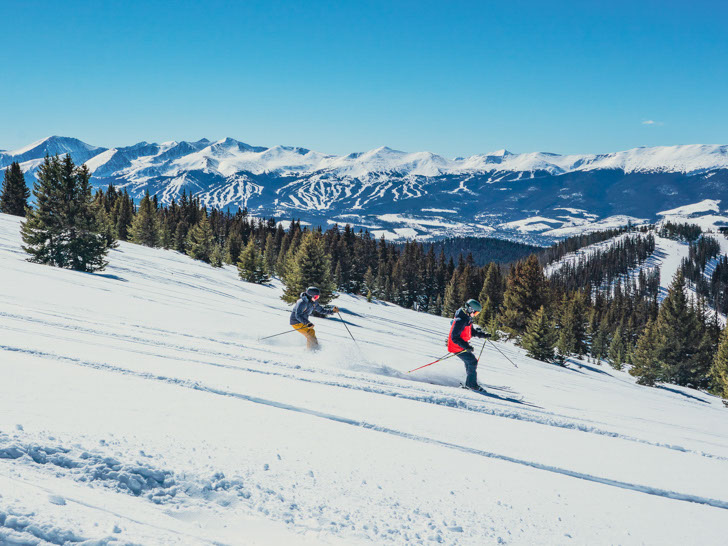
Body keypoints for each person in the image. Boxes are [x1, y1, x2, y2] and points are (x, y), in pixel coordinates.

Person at [447, 299, 491, 392]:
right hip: (456, 346)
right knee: (472, 362)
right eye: (475, 313)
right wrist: (466, 346)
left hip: (461, 345)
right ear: (470, 309)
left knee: (470, 362)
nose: (475, 315)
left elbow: (471, 332)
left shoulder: (466, 318)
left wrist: (483, 335)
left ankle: (470, 382)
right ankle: (471, 385)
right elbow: (454, 337)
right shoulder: (461, 320)